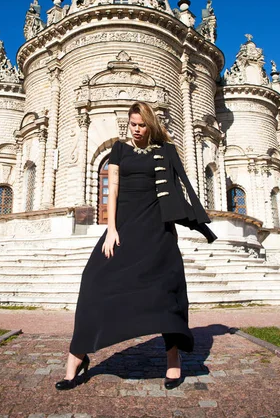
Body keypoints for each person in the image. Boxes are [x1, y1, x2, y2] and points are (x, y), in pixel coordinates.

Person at [55, 101, 216, 391]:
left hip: (157, 230)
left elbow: (177, 188)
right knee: (93, 281)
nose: (137, 130)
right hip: (125, 227)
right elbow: (113, 188)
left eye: (142, 125)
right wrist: (111, 229)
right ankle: (77, 357)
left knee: (164, 293)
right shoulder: (119, 148)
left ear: (150, 124)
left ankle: (172, 359)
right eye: (133, 124)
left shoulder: (164, 150)